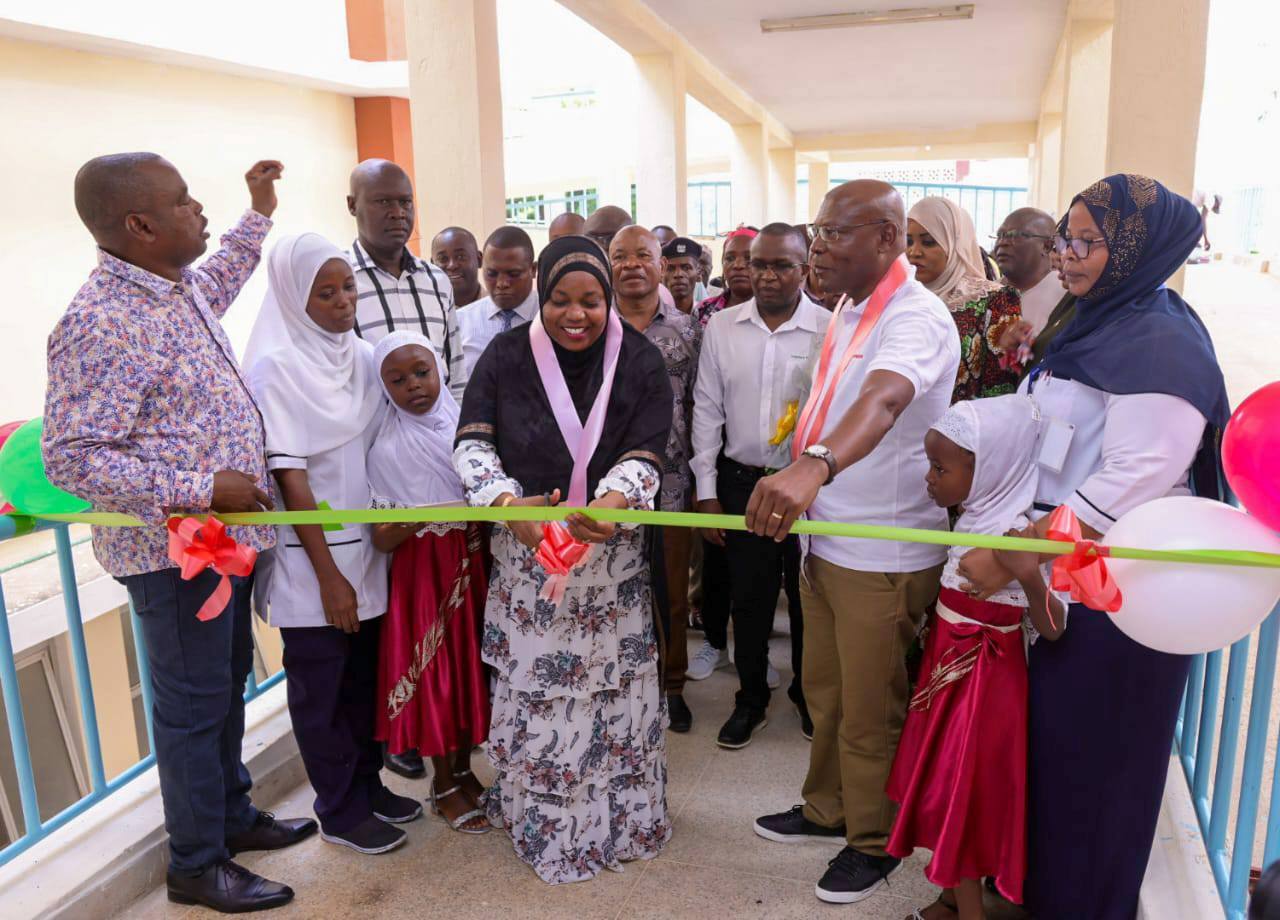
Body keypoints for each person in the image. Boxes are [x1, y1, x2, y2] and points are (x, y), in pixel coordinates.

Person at [43, 154, 313, 914]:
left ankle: (231, 818)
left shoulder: (175, 288)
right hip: (172, 562)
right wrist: (201, 487)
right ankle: (196, 865)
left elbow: (224, 268)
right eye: (185, 201)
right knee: (192, 711)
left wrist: (257, 209)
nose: (199, 211)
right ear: (140, 225)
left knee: (224, 694)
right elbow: (71, 457)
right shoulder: (101, 321)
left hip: (220, 551)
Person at [960, 174, 1230, 919]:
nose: (1068, 257)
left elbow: (1133, 480)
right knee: (1058, 763)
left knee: (1098, 774)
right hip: (1063, 584)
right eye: (1064, 240)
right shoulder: (1095, 321)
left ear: (1140, 248)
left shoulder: (1162, 343)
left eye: (1086, 241)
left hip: (1123, 605)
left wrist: (1020, 550)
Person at [747, 180, 960, 906]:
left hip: (883, 553)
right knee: (827, 692)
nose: (819, 246)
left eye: (838, 232)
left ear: (888, 240)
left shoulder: (916, 318)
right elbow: (833, 396)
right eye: (820, 229)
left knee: (873, 707)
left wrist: (816, 464)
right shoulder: (850, 308)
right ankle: (826, 809)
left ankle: (874, 841)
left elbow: (886, 398)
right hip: (828, 542)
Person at [454, 234, 672, 883]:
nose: (575, 314)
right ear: (540, 298)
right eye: (559, 300)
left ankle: (623, 821)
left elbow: (649, 447)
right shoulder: (503, 356)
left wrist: (613, 498)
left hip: (609, 564)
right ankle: (548, 824)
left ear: (607, 298)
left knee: (612, 697)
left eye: (590, 300)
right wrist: (505, 501)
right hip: (530, 561)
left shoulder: (639, 360)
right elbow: (472, 444)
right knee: (542, 696)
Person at [245, 233, 422, 858]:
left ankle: (369, 787)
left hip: (369, 547)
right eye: (326, 292)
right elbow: (290, 476)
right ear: (295, 299)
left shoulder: (364, 355)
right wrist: (328, 577)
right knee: (321, 689)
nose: (344, 300)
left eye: (348, 286)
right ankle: (339, 809)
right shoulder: (277, 367)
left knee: (363, 682)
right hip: (312, 559)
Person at [886, 395, 1064, 920]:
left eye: (940, 468)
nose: (929, 479)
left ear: (989, 468)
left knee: (961, 796)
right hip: (947, 676)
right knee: (945, 788)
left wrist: (1028, 573)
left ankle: (970, 913)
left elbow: (1052, 628)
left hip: (983, 687)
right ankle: (949, 898)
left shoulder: (1018, 534)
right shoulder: (975, 516)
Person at [691, 223, 827, 748]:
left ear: (805, 268)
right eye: (758, 263)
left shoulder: (827, 328)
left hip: (808, 485)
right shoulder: (723, 327)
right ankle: (750, 699)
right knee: (749, 600)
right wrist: (707, 488)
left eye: (782, 265)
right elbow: (706, 409)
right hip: (740, 482)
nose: (767, 275)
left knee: (805, 594)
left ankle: (807, 697)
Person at [367, 332, 491, 836]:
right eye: (396, 380)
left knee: (470, 667)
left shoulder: (468, 428)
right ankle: (442, 785)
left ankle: (465, 771)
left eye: (421, 372)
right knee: (438, 674)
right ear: (382, 389)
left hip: (473, 558)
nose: (413, 386)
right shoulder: (387, 449)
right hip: (425, 572)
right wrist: (421, 517)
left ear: (441, 367)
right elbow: (381, 537)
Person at [609, 226, 700, 733]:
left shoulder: (687, 330)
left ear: (661, 266)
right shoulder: (593, 326)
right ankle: (624, 683)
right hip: (609, 490)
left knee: (670, 592)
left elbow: (702, 407)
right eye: (620, 256)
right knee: (617, 591)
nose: (631, 265)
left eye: (642, 255)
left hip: (669, 485)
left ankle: (672, 686)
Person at [344, 158, 467, 401]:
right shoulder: (338, 283)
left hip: (437, 436)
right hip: (369, 437)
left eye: (405, 202)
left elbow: (455, 375)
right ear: (352, 205)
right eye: (383, 202)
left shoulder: (436, 281)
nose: (398, 213)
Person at [907, 197, 1021, 403]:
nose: (914, 252)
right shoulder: (901, 297)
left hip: (960, 431)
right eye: (908, 241)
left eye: (928, 242)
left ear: (955, 243)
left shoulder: (994, 299)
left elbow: (1001, 387)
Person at [457, 226, 538, 374]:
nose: (502, 283)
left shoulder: (550, 318)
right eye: (492, 274)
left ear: (533, 270)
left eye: (513, 274)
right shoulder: (461, 321)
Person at [991, 208, 1062, 337]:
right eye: (1000, 235)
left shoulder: (1066, 295)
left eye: (1015, 235)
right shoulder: (986, 295)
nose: (1002, 242)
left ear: (1046, 246)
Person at [694, 227, 757, 328]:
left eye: (748, 258)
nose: (738, 265)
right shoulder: (702, 310)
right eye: (730, 258)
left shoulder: (776, 314)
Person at [431, 226, 484, 308]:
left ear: (479, 259)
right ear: (432, 266)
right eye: (443, 259)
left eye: (460, 257)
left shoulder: (501, 308)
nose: (452, 266)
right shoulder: (424, 313)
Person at [662, 236, 702, 314]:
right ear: (661, 273)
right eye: (670, 269)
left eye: (686, 268)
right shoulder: (650, 316)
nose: (678, 274)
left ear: (698, 273)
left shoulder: (707, 315)